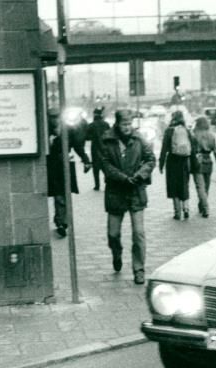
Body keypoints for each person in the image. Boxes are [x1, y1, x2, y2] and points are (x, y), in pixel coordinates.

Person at [99, 109, 156, 283]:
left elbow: (151, 159)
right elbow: (105, 165)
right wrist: (123, 178)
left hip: (136, 192)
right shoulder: (107, 140)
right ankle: (117, 253)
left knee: (138, 233)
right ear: (117, 123)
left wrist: (140, 175)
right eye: (124, 124)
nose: (127, 127)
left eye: (129, 124)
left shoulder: (139, 139)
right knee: (113, 234)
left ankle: (139, 270)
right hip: (116, 192)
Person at [46, 109, 90, 237]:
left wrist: (86, 160)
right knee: (58, 195)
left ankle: (61, 220)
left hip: (65, 164)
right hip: (52, 165)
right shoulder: (45, 130)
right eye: (52, 117)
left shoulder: (68, 130)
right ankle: (61, 221)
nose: (54, 120)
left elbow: (77, 146)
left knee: (64, 194)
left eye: (56, 117)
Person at [159, 110, 195, 220]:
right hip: (185, 161)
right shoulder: (186, 130)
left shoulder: (169, 131)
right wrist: (193, 164)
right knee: (184, 185)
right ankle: (186, 208)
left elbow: (164, 148)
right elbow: (192, 148)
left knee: (174, 186)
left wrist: (161, 164)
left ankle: (177, 212)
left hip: (172, 161)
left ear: (172, 118)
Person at [191, 116, 216, 217]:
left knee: (200, 187)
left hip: (198, 162)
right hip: (208, 162)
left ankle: (205, 208)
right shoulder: (211, 135)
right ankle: (201, 206)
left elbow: (191, 150)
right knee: (206, 187)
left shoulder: (194, 135)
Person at [85, 107, 110, 190]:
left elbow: (87, 137)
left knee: (96, 168)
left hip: (95, 149)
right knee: (105, 166)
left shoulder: (91, 125)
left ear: (94, 114)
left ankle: (97, 185)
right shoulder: (106, 124)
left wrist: (93, 137)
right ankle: (108, 183)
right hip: (105, 148)